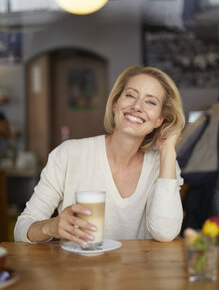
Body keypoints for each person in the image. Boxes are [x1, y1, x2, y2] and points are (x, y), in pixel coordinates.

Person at [14, 66, 185, 246]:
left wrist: (167, 151)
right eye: (130, 95)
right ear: (115, 104)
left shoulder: (164, 164)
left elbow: (165, 233)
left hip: (137, 273)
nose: (137, 106)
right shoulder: (69, 155)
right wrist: (51, 226)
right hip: (78, 271)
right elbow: (21, 230)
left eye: (150, 102)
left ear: (159, 120)